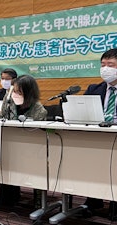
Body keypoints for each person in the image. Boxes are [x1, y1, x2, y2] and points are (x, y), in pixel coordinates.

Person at [0, 74, 47, 206]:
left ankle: (39, 201)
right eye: (14, 90)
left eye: (19, 91)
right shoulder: (8, 101)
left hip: (32, 151)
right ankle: (10, 194)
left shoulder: (39, 110)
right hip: (11, 146)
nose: (15, 94)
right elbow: (2, 117)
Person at [83, 48, 117, 220]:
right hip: (96, 137)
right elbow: (81, 112)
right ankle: (93, 200)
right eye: (103, 65)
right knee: (90, 162)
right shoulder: (94, 88)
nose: (105, 69)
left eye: (110, 65)